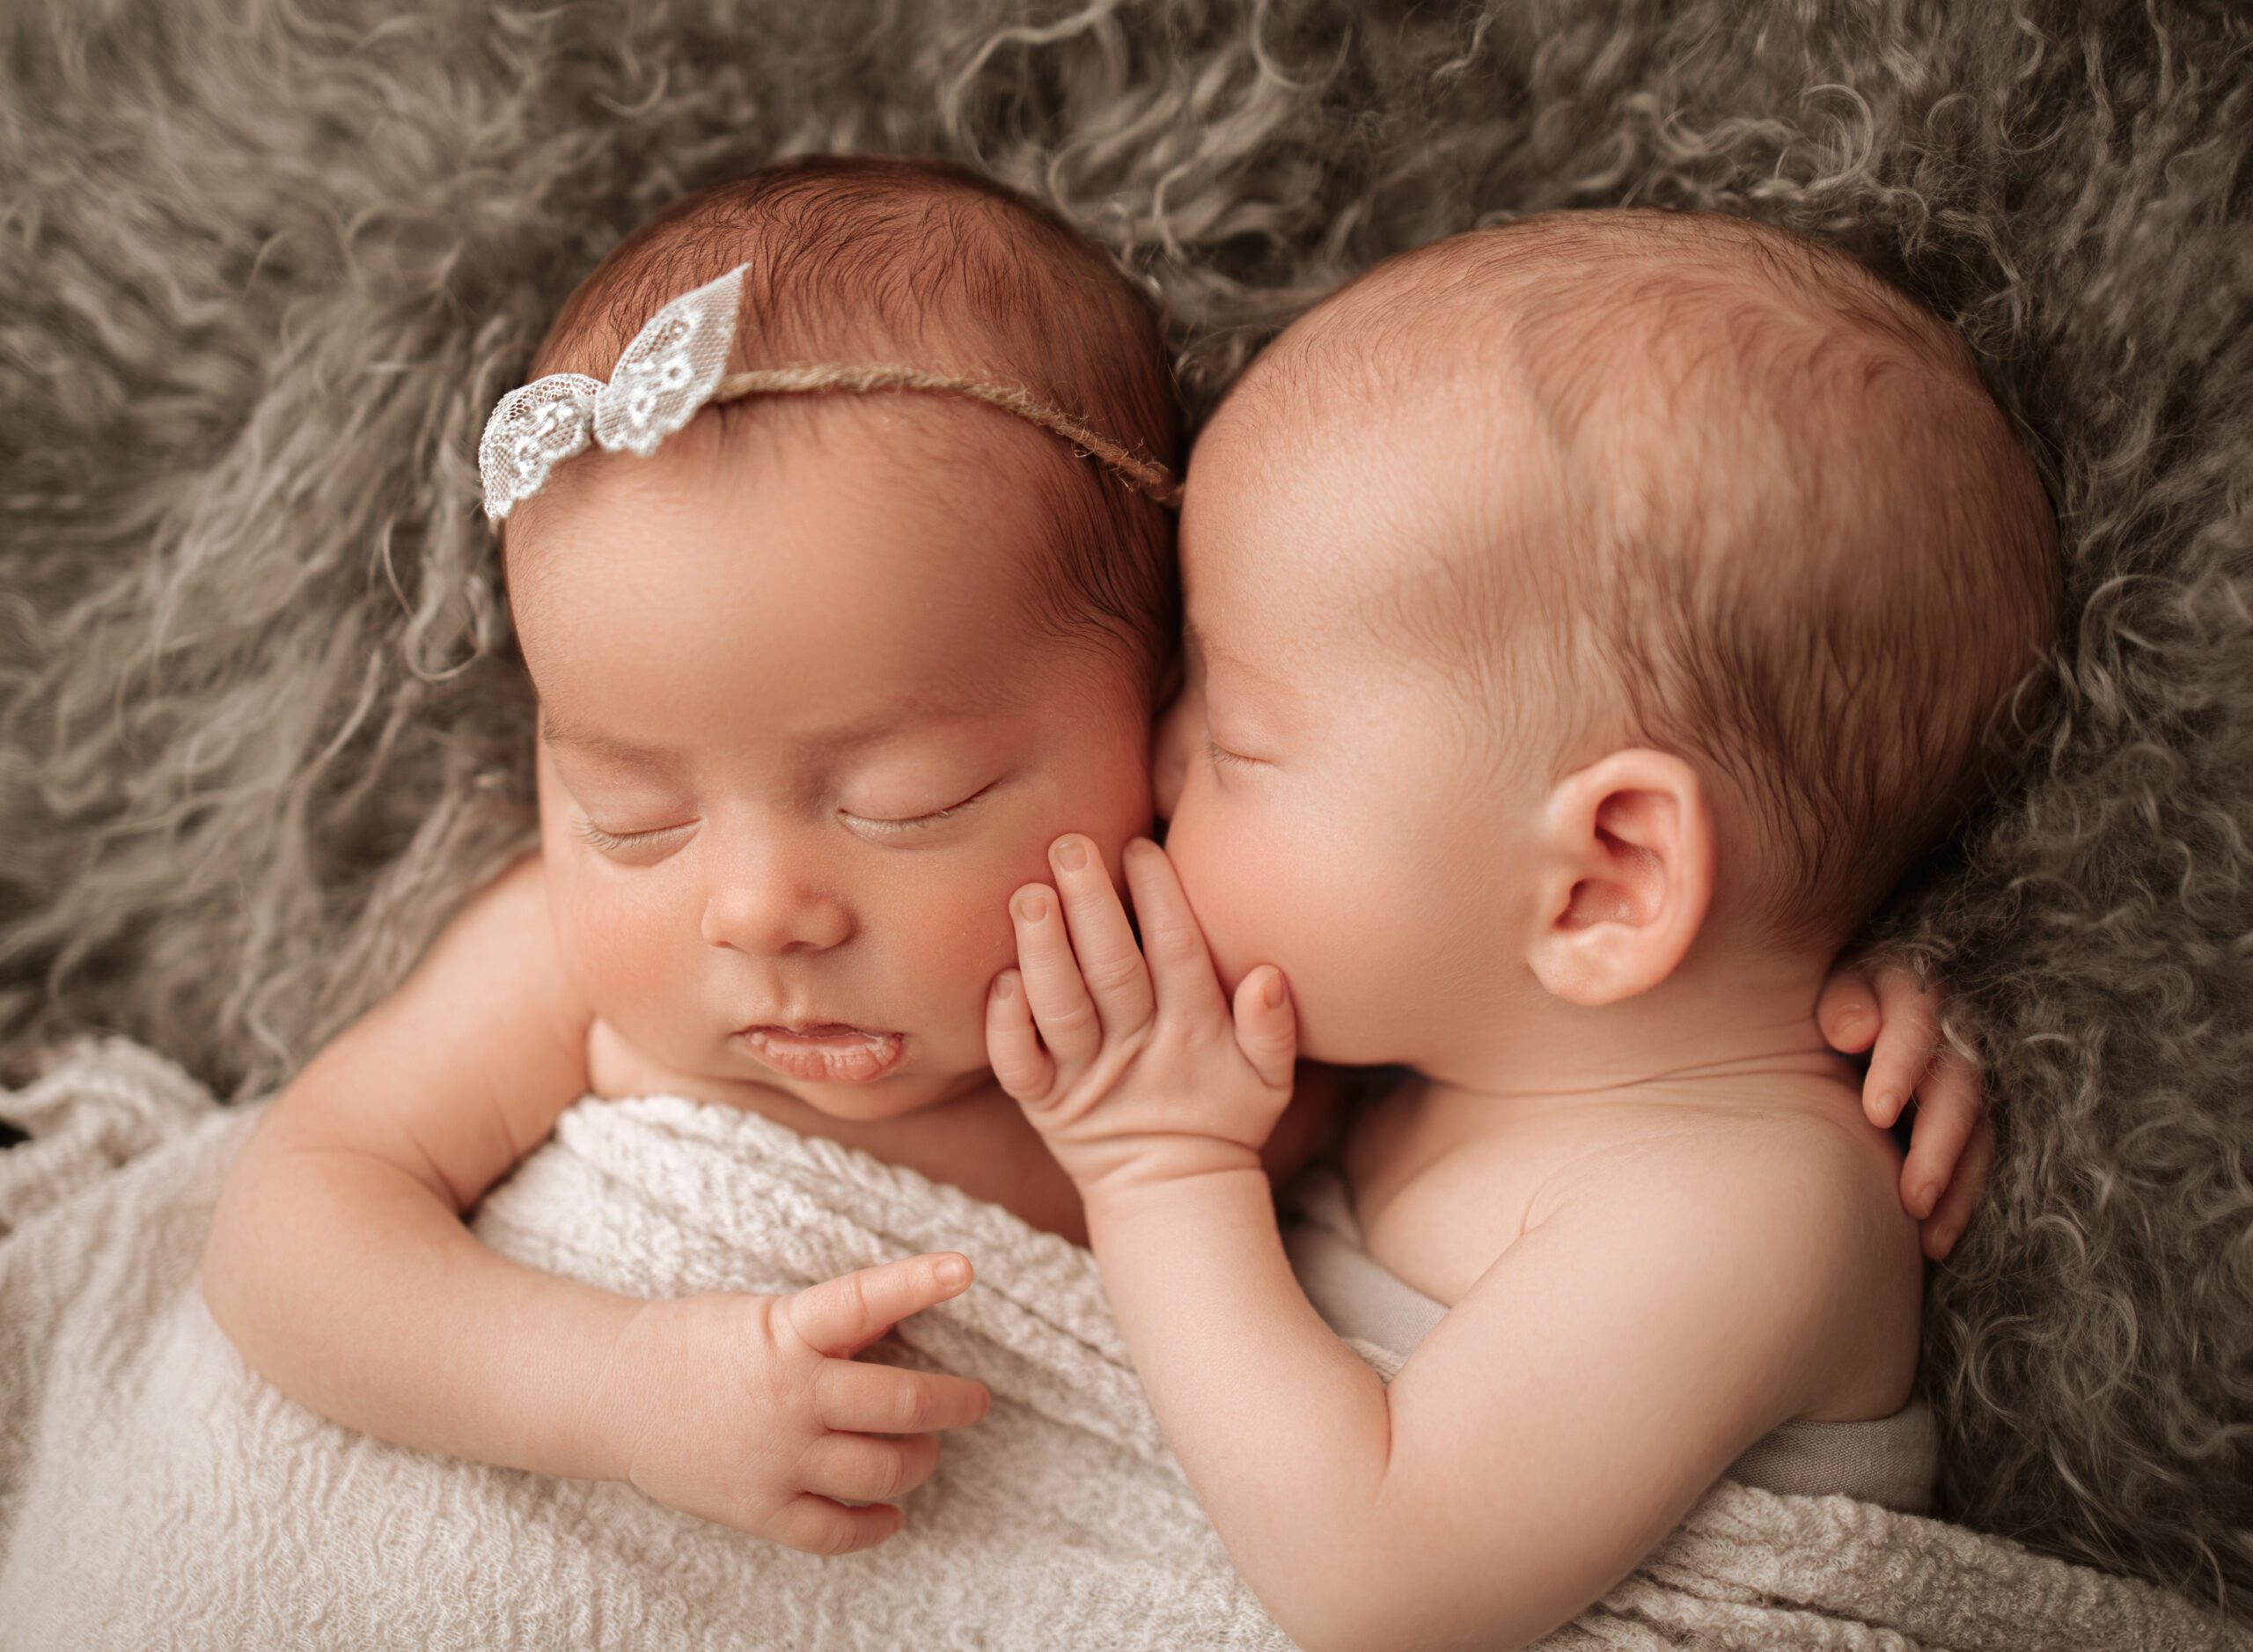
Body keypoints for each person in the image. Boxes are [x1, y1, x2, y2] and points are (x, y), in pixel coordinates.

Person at [202, 162, 1983, 1567]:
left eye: (906, 801)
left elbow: (1557, 1022)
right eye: (627, 812)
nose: (752, 909)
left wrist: (1812, 962)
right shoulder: (573, 970)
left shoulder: (1234, 1018)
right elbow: (290, 1236)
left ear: (1134, 729)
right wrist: (608, 1392)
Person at [986, 208, 2054, 1650]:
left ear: (1603, 881)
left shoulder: (1751, 1204)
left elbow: (1378, 1577)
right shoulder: (1440, 1050)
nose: (1159, 757)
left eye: (1235, 737)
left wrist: (1161, 1170)